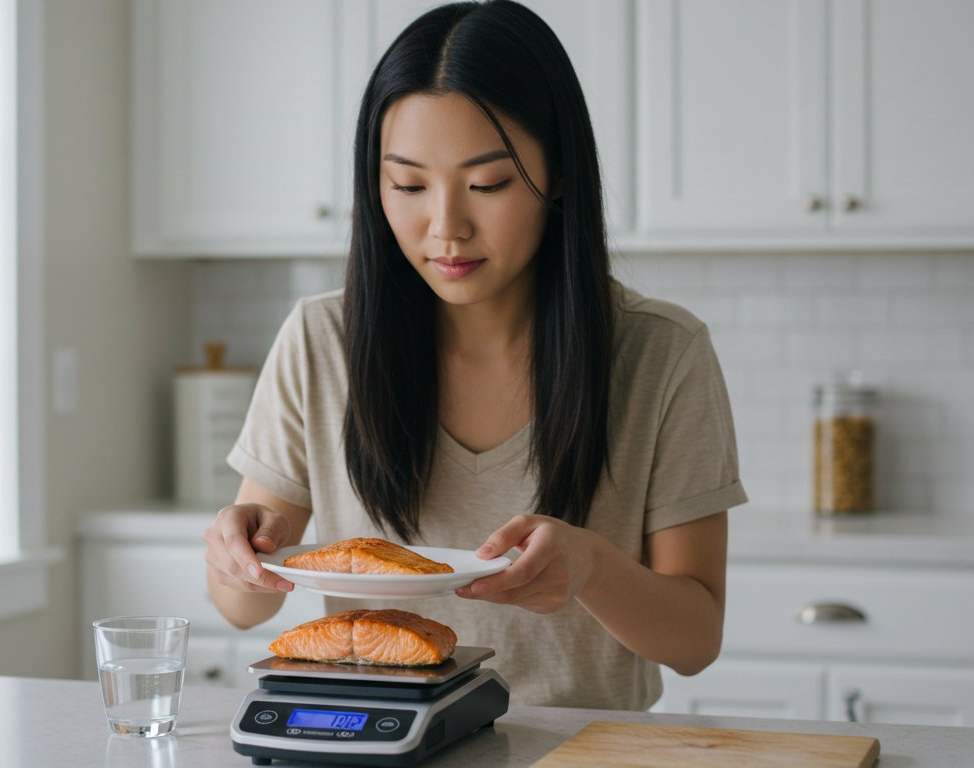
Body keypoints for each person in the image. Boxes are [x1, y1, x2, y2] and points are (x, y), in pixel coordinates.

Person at [203, 0, 746, 710]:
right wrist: (237, 554)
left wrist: (593, 569)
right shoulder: (321, 341)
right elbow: (242, 610)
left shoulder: (660, 354)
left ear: (556, 174)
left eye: (488, 184)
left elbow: (695, 641)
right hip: (374, 740)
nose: (446, 227)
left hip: (577, 753)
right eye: (408, 185)